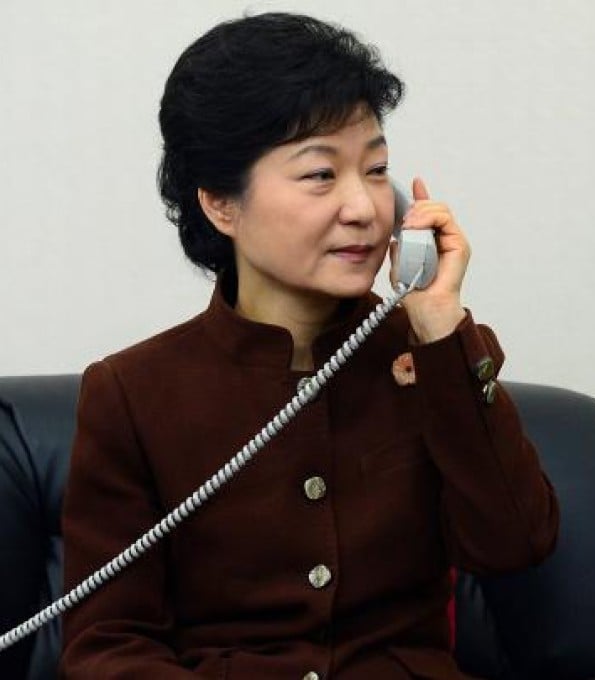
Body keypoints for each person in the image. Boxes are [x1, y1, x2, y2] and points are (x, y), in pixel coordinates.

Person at [60, 12, 559, 679]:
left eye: (376, 169)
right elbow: (107, 649)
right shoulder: (132, 393)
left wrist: (440, 326)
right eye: (321, 175)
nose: (364, 207)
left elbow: (516, 545)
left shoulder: (435, 355)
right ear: (220, 204)